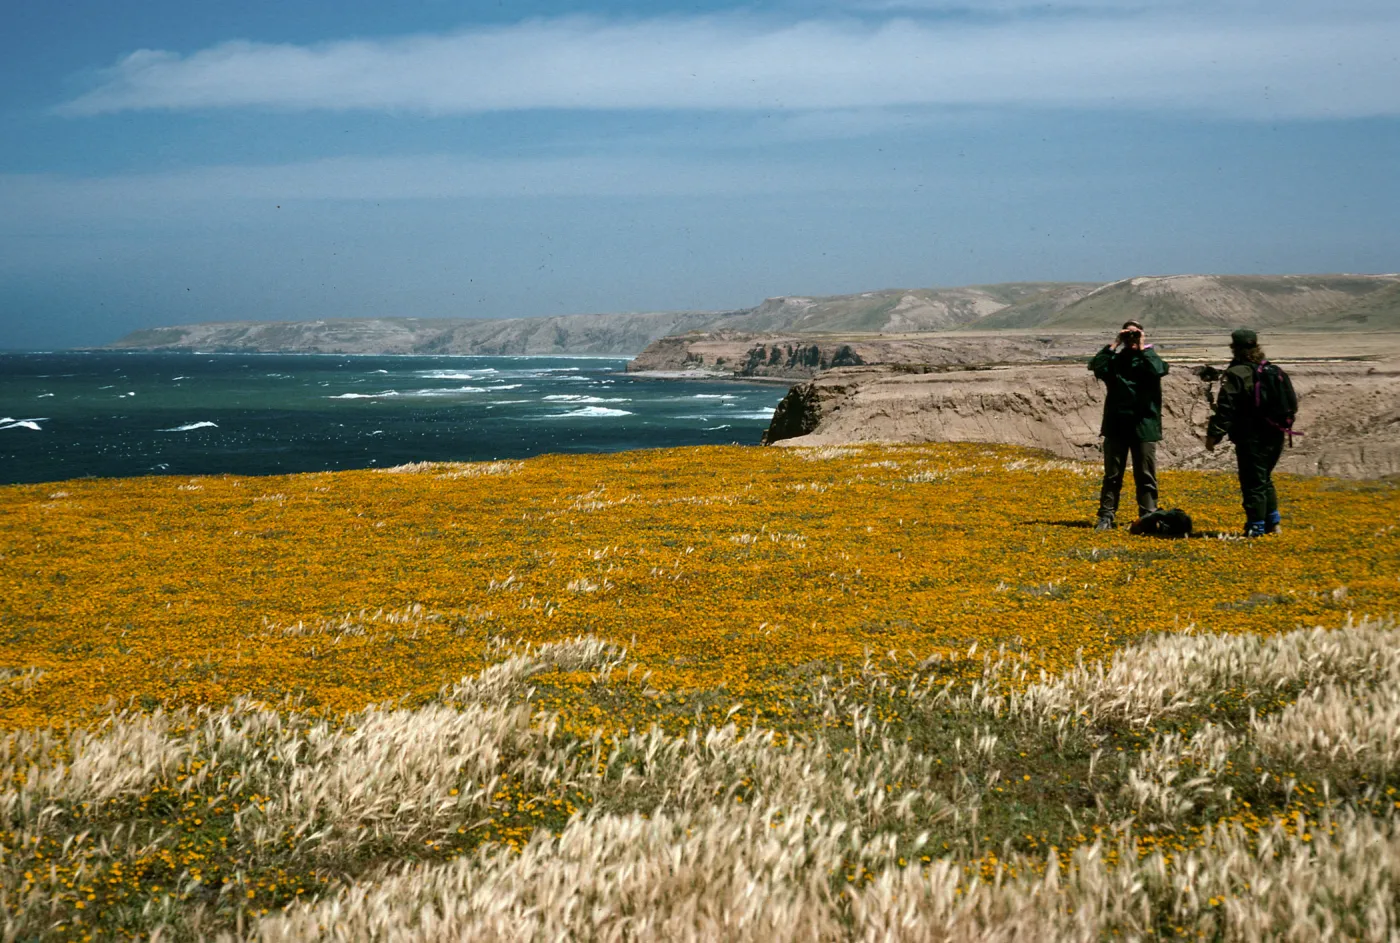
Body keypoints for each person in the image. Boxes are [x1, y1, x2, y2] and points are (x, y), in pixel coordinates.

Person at [1205, 328, 1291, 537]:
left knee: (1253, 482)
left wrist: (1214, 434)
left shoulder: (1237, 374)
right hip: (1276, 434)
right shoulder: (1272, 370)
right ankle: (1273, 522)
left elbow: (1226, 408)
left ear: (1234, 348)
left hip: (1251, 437)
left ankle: (1256, 528)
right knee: (1264, 479)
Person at [1088, 319, 1170, 530]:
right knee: (1113, 475)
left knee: (1145, 475)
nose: (1132, 338)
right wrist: (1114, 343)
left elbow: (1159, 369)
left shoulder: (1149, 361)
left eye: (1136, 333)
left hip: (1144, 426)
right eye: (1129, 334)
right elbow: (1096, 365)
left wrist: (1143, 347)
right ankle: (1106, 516)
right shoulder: (1115, 363)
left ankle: (1148, 516)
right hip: (1117, 427)